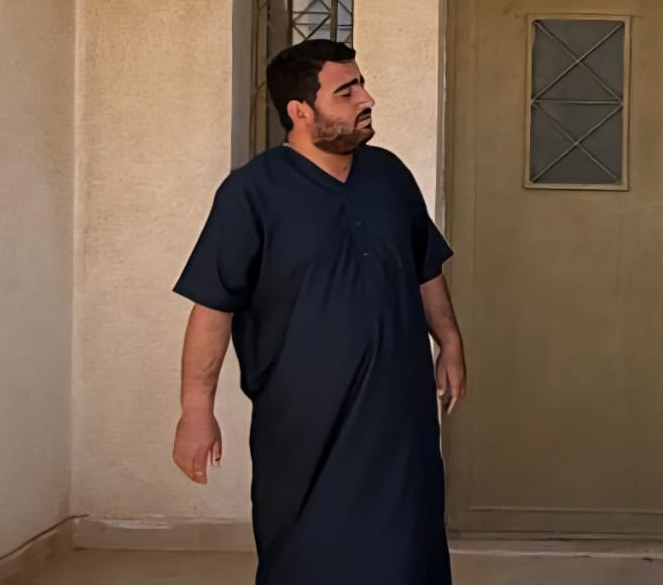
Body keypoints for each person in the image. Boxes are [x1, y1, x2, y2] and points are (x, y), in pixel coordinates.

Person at [171, 40, 464, 584]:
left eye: (362, 85)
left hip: (399, 414)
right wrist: (195, 410)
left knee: (408, 547)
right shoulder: (251, 193)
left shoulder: (390, 176)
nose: (366, 99)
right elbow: (212, 307)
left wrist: (449, 342)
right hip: (304, 422)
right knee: (307, 553)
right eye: (346, 92)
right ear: (300, 111)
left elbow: (425, 268)